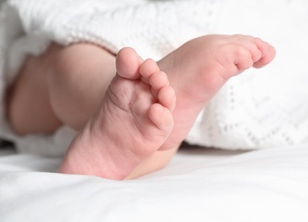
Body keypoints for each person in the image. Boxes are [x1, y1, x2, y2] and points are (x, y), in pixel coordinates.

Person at [6, 34, 275, 180]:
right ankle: (125, 107)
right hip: (107, 41)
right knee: (74, 63)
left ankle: (125, 120)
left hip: (95, 45)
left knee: (60, 67)